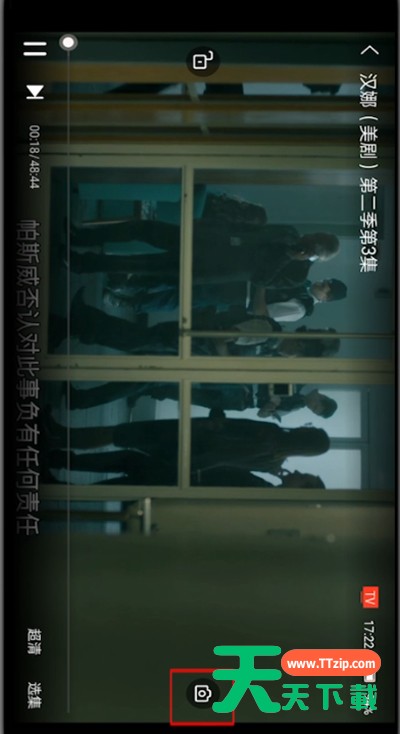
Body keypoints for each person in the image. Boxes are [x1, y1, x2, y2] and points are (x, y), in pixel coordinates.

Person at [49, 287, 341, 358]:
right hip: (195, 346)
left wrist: (221, 355)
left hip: (197, 339)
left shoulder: (269, 333)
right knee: (139, 339)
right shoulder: (270, 347)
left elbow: (225, 336)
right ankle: (75, 325)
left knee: (138, 338)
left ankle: (76, 325)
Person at [42, 408, 330, 473]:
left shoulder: (271, 434)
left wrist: (216, 418)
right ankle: (59, 440)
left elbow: (226, 430)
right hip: (189, 455)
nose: (306, 425)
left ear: (306, 435)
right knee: (120, 442)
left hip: (191, 434)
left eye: (310, 429)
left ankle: (59, 436)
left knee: (117, 433)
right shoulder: (272, 460)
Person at [67, 219, 340, 287]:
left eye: (314, 246)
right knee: (144, 228)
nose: (308, 241)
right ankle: (81, 236)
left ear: (317, 255)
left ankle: (81, 263)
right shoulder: (289, 231)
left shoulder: (297, 272)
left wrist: (288, 257)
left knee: (139, 264)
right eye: (314, 236)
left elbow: (260, 280)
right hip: (206, 239)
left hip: (206, 267)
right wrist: (208, 226)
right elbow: (248, 229)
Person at [251, 278, 348, 322]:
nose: (318, 282)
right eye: (322, 280)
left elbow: (260, 313)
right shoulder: (302, 282)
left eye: (322, 286)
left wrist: (262, 285)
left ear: (325, 298)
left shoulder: (299, 309)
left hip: (246, 300)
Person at [257, 387, 338, 420]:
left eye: (313, 410)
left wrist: (265, 411)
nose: (310, 408)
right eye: (315, 406)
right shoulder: (305, 381)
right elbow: (276, 379)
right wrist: (274, 399)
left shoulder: (296, 407)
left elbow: (262, 415)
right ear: (322, 397)